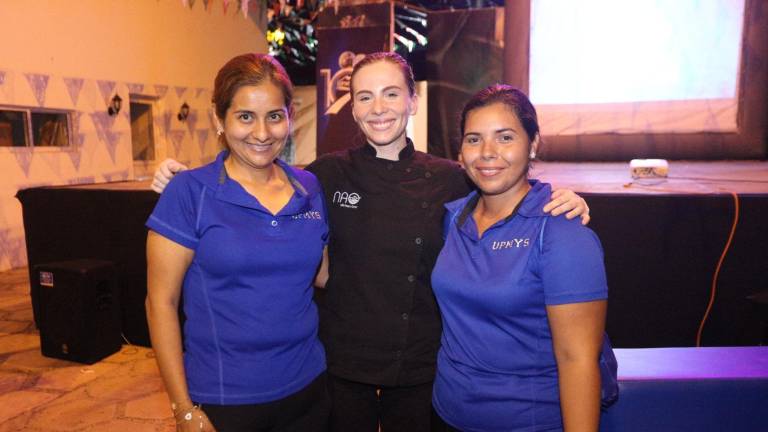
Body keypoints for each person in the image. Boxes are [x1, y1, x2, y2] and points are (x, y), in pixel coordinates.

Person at [152, 52, 590, 432]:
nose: (378, 108)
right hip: (340, 368)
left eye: (391, 94)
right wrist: (184, 176)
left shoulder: (450, 179)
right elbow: (254, 170)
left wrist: (556, 196)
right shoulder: (322, 175)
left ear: (412, 100)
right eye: (364, 96)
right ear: (352, 108)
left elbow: (501, 184)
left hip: (421, 367)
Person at [145, 53, 330, 432]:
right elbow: (160, 304)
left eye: (274, 116)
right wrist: (183, 409)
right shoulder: (189, 192)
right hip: (225, 399)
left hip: (310, 386)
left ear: (289, 117)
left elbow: (322, 275)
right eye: (245, 116)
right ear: (219, 118)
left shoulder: (308, 187)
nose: (262, 133)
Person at [432, 84, 607, 432]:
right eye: (473, 139)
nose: (487, 152)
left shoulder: (562, 234)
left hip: (527, 422)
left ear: (534, 144)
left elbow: (578, 361)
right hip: (446, 414)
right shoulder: (454, 218)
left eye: (505, 137)